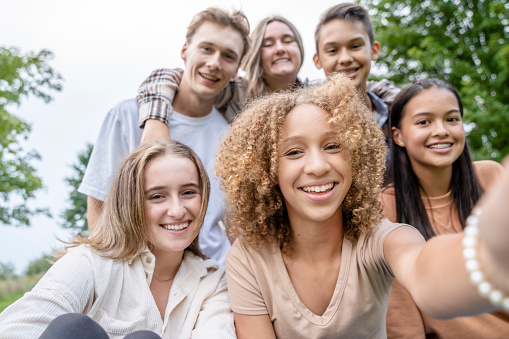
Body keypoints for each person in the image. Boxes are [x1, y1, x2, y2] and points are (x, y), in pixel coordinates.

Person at [215, 73, 509, 338]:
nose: (317, 166)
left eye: (333, 146)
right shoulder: (247, 259)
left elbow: (424, 273)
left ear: (356, 157)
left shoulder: (379, 237)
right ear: (266, 171)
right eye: (293, 152)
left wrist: (489, 256)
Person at [0, 140, 235, 339]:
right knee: (73, 328)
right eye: (157, 196)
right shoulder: (90, 264)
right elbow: (14, 330)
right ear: (130, 203)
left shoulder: (214, 282)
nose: (177, 210)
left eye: (188, 192)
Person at [78, 7, 250, 263]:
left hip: (210, 274)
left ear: (236, 69)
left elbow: (235, 223)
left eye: (228, 56)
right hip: (136, 267)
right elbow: (99, 206)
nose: (214, 63)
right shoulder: (127, 115)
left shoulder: (232, 136)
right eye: (206, 48)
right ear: (185, 51)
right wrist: (112, 269)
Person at [380, 79, 509, 338]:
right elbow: (399, 313)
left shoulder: (492, 176)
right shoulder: (384, 206)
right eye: (424, 122)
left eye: (452, 119)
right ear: (398, 136)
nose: (441, 131)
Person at [136, 15, 305, 143]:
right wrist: (156, 119)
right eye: (267, 44)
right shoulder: (236, 93)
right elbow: (173, 80)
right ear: (254, 56)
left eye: (288, 41)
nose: (280, 49)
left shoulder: (314, 96)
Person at [313, 3, 399, 140]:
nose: (345, 59)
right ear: (318, 60)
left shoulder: (397, 115)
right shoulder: (309, 119)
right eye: (333, 50)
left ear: (374, 50)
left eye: (355, 46)